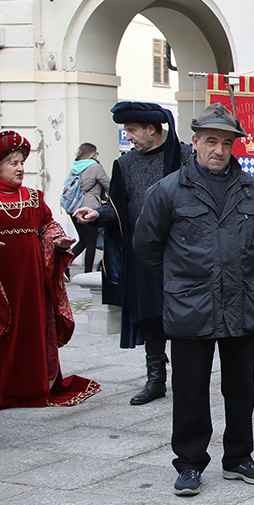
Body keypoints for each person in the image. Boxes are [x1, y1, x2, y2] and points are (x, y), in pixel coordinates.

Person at [134, 103, 254, 497]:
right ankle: (191, 462)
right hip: (190, 305)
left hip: (240, 302)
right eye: (211, 140)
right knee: (191, 388)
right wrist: (180, 277)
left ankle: (239, 457)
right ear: (195, 142)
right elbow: (147, 244)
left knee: (241, 387)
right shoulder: (167, 191)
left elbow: (253, 238)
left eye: (227, 143)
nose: (219, 149)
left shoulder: (250, 188)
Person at [73, 102, 192, 406]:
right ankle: (155, 380)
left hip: (181, 254)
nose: (128, 137)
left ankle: (187, 378)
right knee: (150, 315)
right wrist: (96, 214)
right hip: (142, 254)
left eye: (131, 130)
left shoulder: (185, 156)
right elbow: (117, 208)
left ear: (151, 129)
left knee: (181, 316)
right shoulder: (125, 165)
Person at [0, 131, 98, 410]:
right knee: (2, 329)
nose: (21, 167)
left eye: (22, 161)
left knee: (31, 327)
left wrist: (56, 240)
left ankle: (33, 386)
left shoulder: (34, 197)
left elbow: (48, 225)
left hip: (31, 278)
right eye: (13, 162)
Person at [66, 143, 109, 273]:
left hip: (74, 208)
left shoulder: (75, 167)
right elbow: (109, 185)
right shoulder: (95, 166)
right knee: (91, 242)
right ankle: (88, 273)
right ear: (93, 154)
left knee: (83, 241)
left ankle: (65, 265)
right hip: (89, 208)